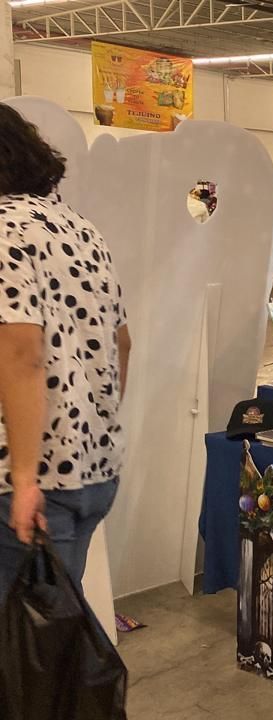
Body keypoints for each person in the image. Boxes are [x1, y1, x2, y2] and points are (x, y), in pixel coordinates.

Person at [0, 104, 132, 602]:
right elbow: (122, 342)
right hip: (93, 470)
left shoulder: (3, 230)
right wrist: (98, 426)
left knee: (23, 652)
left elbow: (21, 356)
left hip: (28, 484)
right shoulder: (80, 230)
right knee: (49, 639)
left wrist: (25, 478)